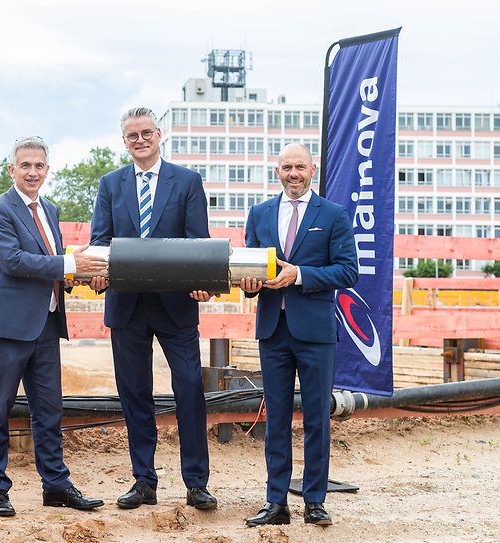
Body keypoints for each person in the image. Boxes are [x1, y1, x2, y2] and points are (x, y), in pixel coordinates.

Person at [89, 107, 217, 511]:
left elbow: (200, 242)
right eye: (132, 135)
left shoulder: (187, 182)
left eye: (146, 133)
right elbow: (100, 241)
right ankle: (143, 480)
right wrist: (97, 272)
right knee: (134, 395)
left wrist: (204, 282)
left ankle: (196, 483)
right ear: (124, 141)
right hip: (127, 305)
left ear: (159, 135)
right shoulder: (110, 184)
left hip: (176, 305)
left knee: (190, 389)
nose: (140, 140)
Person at [0, 136, 108, 517]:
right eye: (25, 166)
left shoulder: (49, 209)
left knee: (49, 411)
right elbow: (14, 261)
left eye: (39, 166)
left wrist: (73, 273)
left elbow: (51, 261)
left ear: (47, 170)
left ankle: (55, 485)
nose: (32, 172)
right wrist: (69, 265)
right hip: (9, 326)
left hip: (47, 324)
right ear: (12, 170)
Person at [240, 143, 358, 527]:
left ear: (313, 170)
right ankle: (276, 503)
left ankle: (314, 502)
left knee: (316, 419)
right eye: (287, 166)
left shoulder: (334, 215)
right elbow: (248, 270)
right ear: (277, 171)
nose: (294, 173)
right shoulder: (259, 214)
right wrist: (249, 283)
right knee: (275, 418)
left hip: (316, 333)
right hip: (273, 330)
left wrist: (301, 274)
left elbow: (347, 271)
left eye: (300, 167)